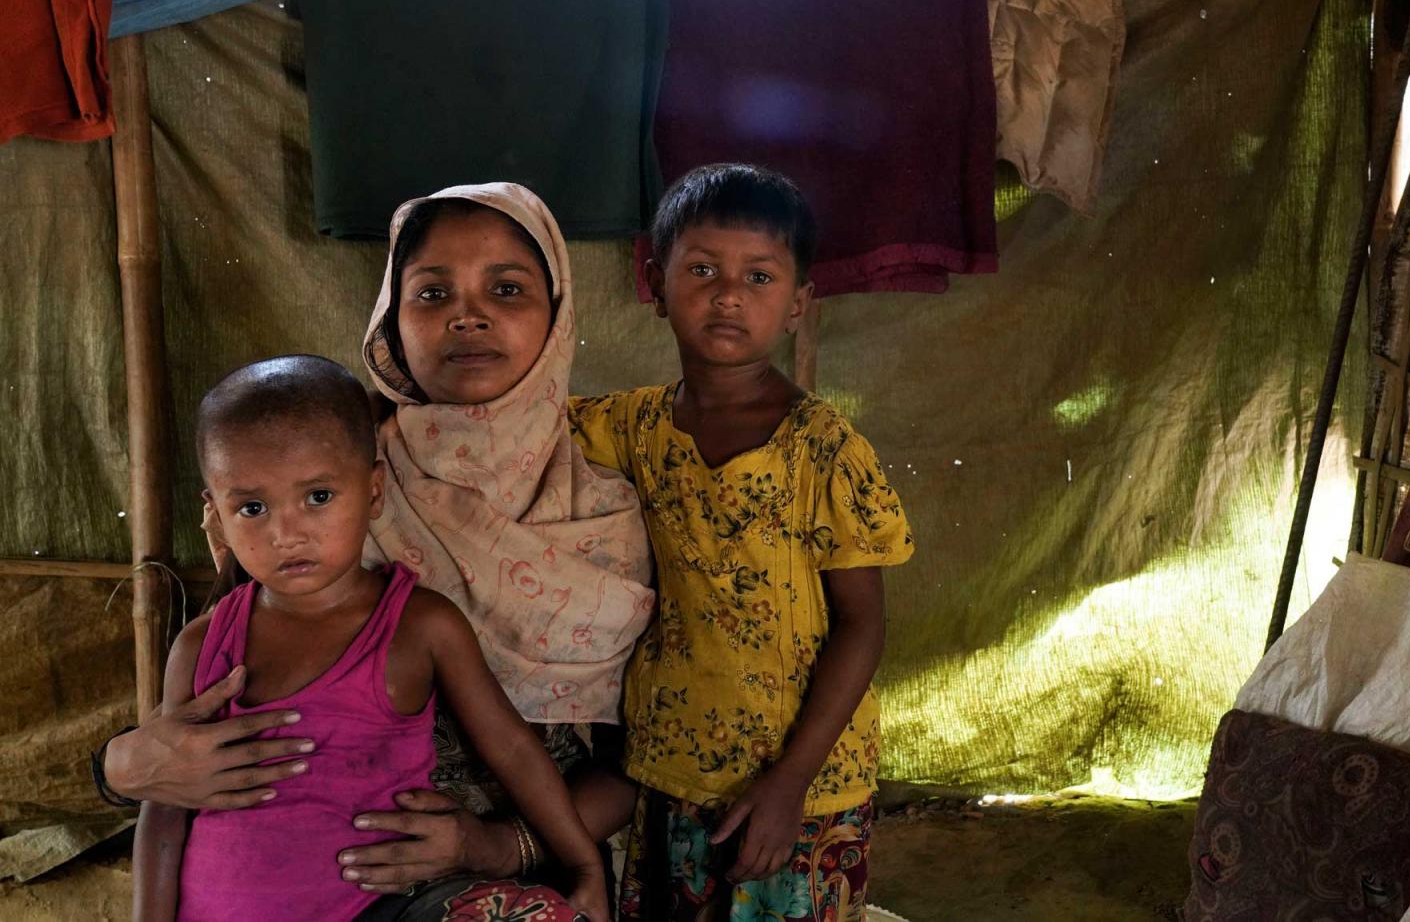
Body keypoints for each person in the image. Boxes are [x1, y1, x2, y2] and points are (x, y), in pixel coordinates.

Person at [106, 185, 655, 906]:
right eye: (431, 293)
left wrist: (494, 845)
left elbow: (642, 764)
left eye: (508, 287)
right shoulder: (324, 463)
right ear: (391, 323)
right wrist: (118, 766)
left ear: (558, 313)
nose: (469, 313)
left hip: (514, 881)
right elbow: (178, 750)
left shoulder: (607, 508)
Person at [132, 356, 608, 922]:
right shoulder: (202, 647)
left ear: (374, 489)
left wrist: (584, 866)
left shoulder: (418, 625)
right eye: (252, 508)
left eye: (318, 497)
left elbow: (512, 750)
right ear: (216, 514)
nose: (287, 533)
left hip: (381, 910)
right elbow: (163, 810)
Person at [569, 164, 914, 921]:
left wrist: (790, 781)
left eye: (758, 276)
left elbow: (862, 623)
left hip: (805, 783)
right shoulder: (630, 427)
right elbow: (517, 429)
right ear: (657, 285)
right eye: (702, 270)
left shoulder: (823, 449)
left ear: (797, 305)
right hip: (668, 762)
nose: (728, 294)